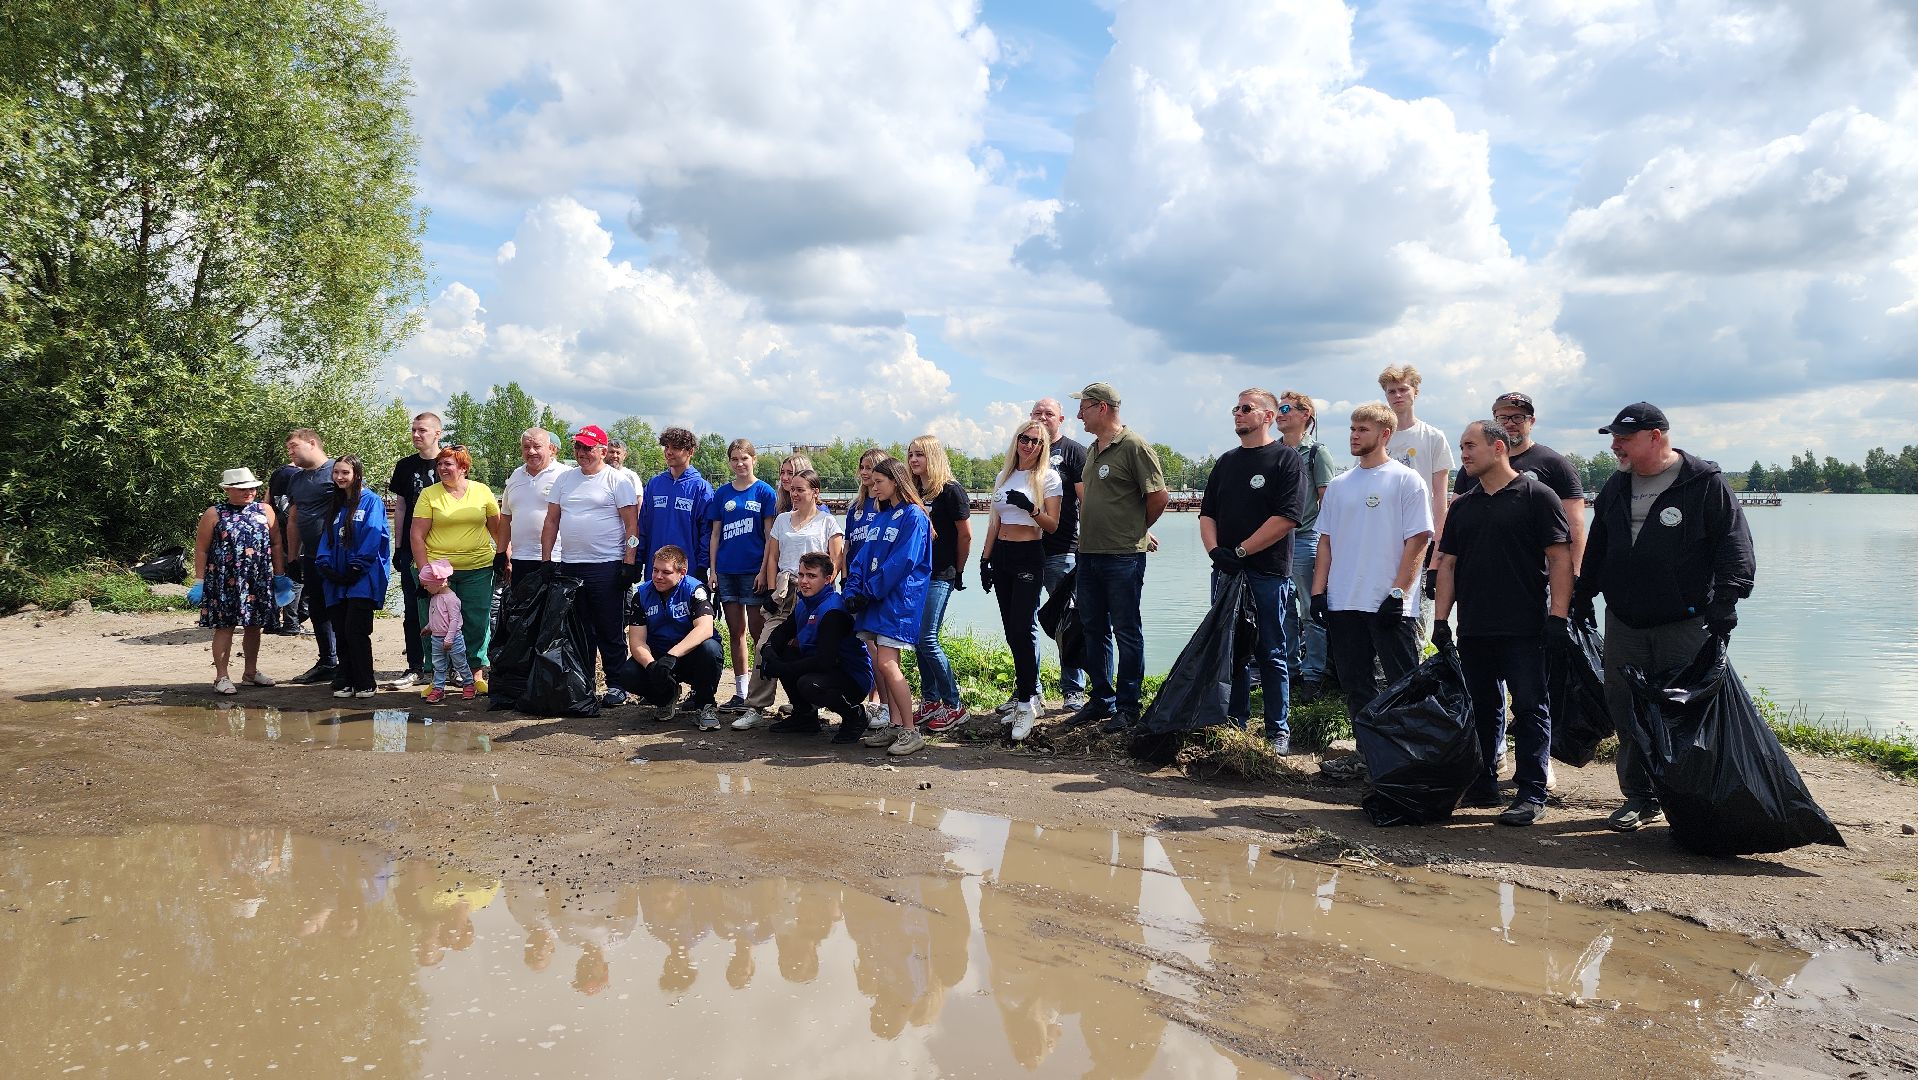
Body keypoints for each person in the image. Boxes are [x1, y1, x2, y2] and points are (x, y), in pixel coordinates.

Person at [1574, 403, 1755, 833]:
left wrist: (1728, 598)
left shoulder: (1703, 483)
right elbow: (1598, 544)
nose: (1615, 445)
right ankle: (1640, 797)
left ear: (1656, 436)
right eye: (1613, 437)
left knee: (1682, 709)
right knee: (1626, 706)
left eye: (1624, 437)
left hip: (1685, 620)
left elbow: (1735, 544)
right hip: (1625, 620)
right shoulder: (1617, 485)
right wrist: (1584, 594)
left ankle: (1689, 797)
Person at [1432, 421, 1572, 826]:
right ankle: (1483, 782)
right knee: (1482, 707)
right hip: (1474, 624)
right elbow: (1449, 564)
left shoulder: (1536, 496)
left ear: (1498, 448)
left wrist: (1558, 616)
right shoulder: (1465, 505)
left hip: (1526, 625)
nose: (1464, 455)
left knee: (1530, 708)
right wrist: (1441, 621)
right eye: (1461, 448)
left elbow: (1559, 558)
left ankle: (1531, 791)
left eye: (1470, 446)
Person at [1199, 389, 1307, 754]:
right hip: (1226, 572)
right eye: (1236, 408)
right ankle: (1235, 722)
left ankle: (1277, 729)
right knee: (1232, 650)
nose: (1238, 414)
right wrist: (1216, 551)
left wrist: (1243, 550)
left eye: (1246, 409)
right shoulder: (1226, 462)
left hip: (1267, 572)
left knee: (1271, 650)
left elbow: (1287, 517)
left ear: (1267, 416)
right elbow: (1207, 513)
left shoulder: (1286, 460)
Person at [1311, 403, 1434, 722]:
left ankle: (1410, 759)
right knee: (1356, 686)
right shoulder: (1339, 485)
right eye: (1352, 428)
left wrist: (1398, 593)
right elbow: (1325, 541)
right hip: (1344, 602)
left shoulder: (1406, 480)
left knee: (1403, 685)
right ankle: (1368, 757)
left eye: (1362, 429)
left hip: (1389, 604)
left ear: (1385, 434)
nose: (1354, 435)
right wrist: (1317, 593)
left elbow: (1419, 540)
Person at [1063, 383, 1169, 734]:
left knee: (1126, 630)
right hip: (1088, 555)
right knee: (1093, 628)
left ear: (1103, 408)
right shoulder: (1093, 450)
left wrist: (1134, 531)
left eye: (1084, 408)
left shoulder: (1134, 446)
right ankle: (1100, 700)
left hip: (1123, 556)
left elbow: (1159, 497)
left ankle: (1127, 706)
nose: (1079, 415)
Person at [731, 468, 845, 730]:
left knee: (805, 649)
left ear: (815, 492)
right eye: (791, 489)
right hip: (784, 591)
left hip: (814, 595)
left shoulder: (828, 522)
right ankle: (756, 706)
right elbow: (772, 557)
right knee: (765, 646)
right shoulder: (782, 520)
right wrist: (773, 592)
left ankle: (806, 708)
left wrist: (822, 593)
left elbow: (835, 563)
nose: (794, 494)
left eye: (800, 489)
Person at [542, 425, 641, 704]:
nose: (582, 453)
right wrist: (547, 559)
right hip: (571, 565)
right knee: (578, 629)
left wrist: (629, 562)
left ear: (602, 450)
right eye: (578, 447)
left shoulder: (617, 481)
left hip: (607, 564)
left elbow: (631, 524)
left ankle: (617, 684)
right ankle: (583, 681)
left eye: (588, 448)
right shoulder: (564, 480)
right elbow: (551, 520)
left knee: (609, 628)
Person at [978, 421, 1062, 741]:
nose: (1028, 445)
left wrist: (1031, 507)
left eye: (1035, 442)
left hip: (1029, 554)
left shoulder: (1048, 478)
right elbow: (994, 522)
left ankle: (1028, 702)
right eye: (1024, 439)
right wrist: (985, 560)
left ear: (1043, 447)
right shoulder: (1004, 476)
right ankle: (1025, 692)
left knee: (1021, 628)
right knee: (1010, 631)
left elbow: (1052, 525)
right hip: (1002, 555)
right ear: (1016, 441)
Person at [844, 456, 933, 756]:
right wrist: (853, 588)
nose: (873, 485)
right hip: (874, 600)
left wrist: (869, 591)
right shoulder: (880, 516)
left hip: (897, 601)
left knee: (887, 663)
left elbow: (904, 561)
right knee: (882, 663)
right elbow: (861, 557)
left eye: (879, 481)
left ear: (895, 481)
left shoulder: (914, 516)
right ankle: (895, 726)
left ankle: (910, 730)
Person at [1454, 392, 1587, 571]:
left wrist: (1575, 576)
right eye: (1502, 418)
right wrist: (1436, 567)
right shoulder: (1473, 467)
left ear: (1531, 422)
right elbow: (1453, 524)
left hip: (1537, 579)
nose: (1509, 423)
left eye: (1517, 418)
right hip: (1479, 578)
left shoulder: (1556, 465)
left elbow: (1575, 527)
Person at [756, 551, 875, 742]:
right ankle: (804, 717)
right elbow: (783, 631)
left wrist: (783, 669)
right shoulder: (805, 602)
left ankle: (855, 716)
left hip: (852, 678)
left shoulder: (833, 610)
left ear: (827, 579)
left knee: (808, 683)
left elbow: (825, 661)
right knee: (784, 653)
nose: (804, 581)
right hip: (826, 668)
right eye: (801, 575)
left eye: (811, 576)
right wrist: (769, 651)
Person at [409, 446, 501, 684]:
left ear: (463, 468)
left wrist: (506, 557)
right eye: (439, 464)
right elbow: (417, 535)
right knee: (436, 622)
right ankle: (437, 671)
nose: (442, 468)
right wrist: (423, 571)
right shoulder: (429, 494)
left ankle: (475, 670)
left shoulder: (482, 491)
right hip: (437, 572)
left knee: (476, 620)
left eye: (448, 464)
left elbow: (498, 530)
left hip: (478, 568)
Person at [189, 467, 285, 694]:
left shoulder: (266, 510)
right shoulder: (215, 513)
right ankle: (221, 676)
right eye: (243, 488)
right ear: (228, 490)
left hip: (258, 578)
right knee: (225, 627)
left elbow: (276, 543)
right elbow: (201, 549)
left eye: (252, 487)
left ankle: (250, 673)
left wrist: (279, 575)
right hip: (224, 579)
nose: (249, 492)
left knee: (254, 625)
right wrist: (199, 581)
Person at [609, 545, 725, 730]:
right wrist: (652, 666)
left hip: (690, 655)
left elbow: (705, 629)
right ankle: (666, 697)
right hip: (659, 656)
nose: (658, 576)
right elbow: (637, 641)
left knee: (710, 649)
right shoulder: (643, 594)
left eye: (666, 572)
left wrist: (673, 656)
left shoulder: (695, 590)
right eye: (655, 570)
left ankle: (705, 706)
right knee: (628, 674)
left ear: (682, 572)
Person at [1378, 364, 1452, 638]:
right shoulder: (1380, 435)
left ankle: (1417, 667)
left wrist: (1438, 542)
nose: (1397, 396)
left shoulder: (1432, 437)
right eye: (1391, 391)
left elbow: (1439, 493)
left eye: (1402, 389)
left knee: (1415, 604)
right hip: (1383, 528)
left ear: (1415, 392)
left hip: (1419, 531)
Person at [906, 435, 972, 732]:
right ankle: (931, 701)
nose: (913, 460)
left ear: (933, 456)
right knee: (918, 642)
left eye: (919, 454)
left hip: (941, 573)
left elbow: (965, 535)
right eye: (910, 455)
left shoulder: (951, 491)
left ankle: (955, 705)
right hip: (917, 574)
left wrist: (957, 571)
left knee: (928, 639)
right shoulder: (914, 490)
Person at [1028, 397, 1089, 712]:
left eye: (1048, 413)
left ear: (1061, 419)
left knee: (1068, 620)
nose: (1042, 417)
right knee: (1025, 622)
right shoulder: (1024, 451)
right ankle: (1030, 690)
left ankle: (1074, 690)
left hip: (1062, 550)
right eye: (1037, 413)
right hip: (1025, 551)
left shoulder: (1074, 452)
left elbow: (1088, 501)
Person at [708, 439, 779, 711]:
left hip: (753, 571)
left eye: (744, 459)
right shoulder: (722, 493)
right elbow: (715, 535)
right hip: (727, 570)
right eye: (734, 459)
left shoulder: (764, 492)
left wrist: (764, 571)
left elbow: (769, 536)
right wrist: (713, 571)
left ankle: (760, 694)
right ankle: (740, 691)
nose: (739, 464)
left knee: (757, 632)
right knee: (735, 631)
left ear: (753, 460)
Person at [1276, 390, 1336, 703]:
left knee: (1312, 612)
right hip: (1275, 543)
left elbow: (1328, 501)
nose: (1279, 413)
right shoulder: (1272, 451)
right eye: (1277, 408)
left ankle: (1315, 676)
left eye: (1285, 408)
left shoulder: (1316, 453)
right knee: (1282, 610)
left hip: (1305, 540)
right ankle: (1289, 670)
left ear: (1305, 415)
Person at [316, 455, 392, 699]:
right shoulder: (336, 504)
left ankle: (366, 681)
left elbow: (374, 534)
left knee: (355, 629)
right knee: (340, 628)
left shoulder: (370, 501)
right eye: (336, 472)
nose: (340, 477)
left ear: (356, 474)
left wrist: (356, 567)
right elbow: (327, 538)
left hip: (362, 577)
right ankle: (347, 679)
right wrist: (326, 566)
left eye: (345, 473)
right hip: (336, 579)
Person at [387, 412, 445, 687]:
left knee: (449, 606)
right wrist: (398, 547)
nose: (415, 435)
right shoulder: (405, 466)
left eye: (422, 430)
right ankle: (415, 665)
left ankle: (451, 666)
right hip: (413, 546)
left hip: (446, 547)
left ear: (438, 433)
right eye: (413, 430)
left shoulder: (450, 462)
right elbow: (400, 507)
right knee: (413, 607)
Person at [280, 429, 341, 685]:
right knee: (317, 608)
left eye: (294, 446)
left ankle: (348, 663)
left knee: (340, 609)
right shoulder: (296, 479)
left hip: (337, 556)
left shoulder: (337, 471)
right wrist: (292, 558)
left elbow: (358, 508)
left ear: (312, 443)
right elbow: (293, 518)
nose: (290, 451)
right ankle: (328, 660)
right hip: (311, 555)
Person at [639, 427, 714, 581]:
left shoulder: (701, 487)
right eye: (666, 447)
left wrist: (702, 565)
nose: (669, 452)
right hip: (655, 570)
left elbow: (707, 531)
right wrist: (637, 559)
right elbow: (643, 525)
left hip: (687, 570)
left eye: (675, 447)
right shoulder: (654, 484)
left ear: (690, 451)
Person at [500, 428, 571, 582]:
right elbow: (506, 517)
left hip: (556, 558)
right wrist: (501, 552)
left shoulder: (566, 475)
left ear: (550, 449)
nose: (531, 451)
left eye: (537, 447)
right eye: (526, 447)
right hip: (520, 557)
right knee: (521, 606)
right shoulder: (515, 476)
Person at [419, 559, 474, 703]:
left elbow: (454, 621)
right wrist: (429, 627)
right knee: (438, 664)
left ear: (438, 583)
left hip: (453, 638)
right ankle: (438, 688)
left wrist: (449, 638)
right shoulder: (435, 597)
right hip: (436, 638)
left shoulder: (451, 599)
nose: (425, 588)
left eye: (426, 585)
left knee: (460, 662)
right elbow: (435, 616)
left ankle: (468, 684)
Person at [266, 458, 305, 635]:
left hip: (276, 530)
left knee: (279, 574)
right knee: (297, 575)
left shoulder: (277, 473)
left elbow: (266, 501)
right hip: (296, 532)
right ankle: (291, 622)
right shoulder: (302, 475)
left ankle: (271, 620)